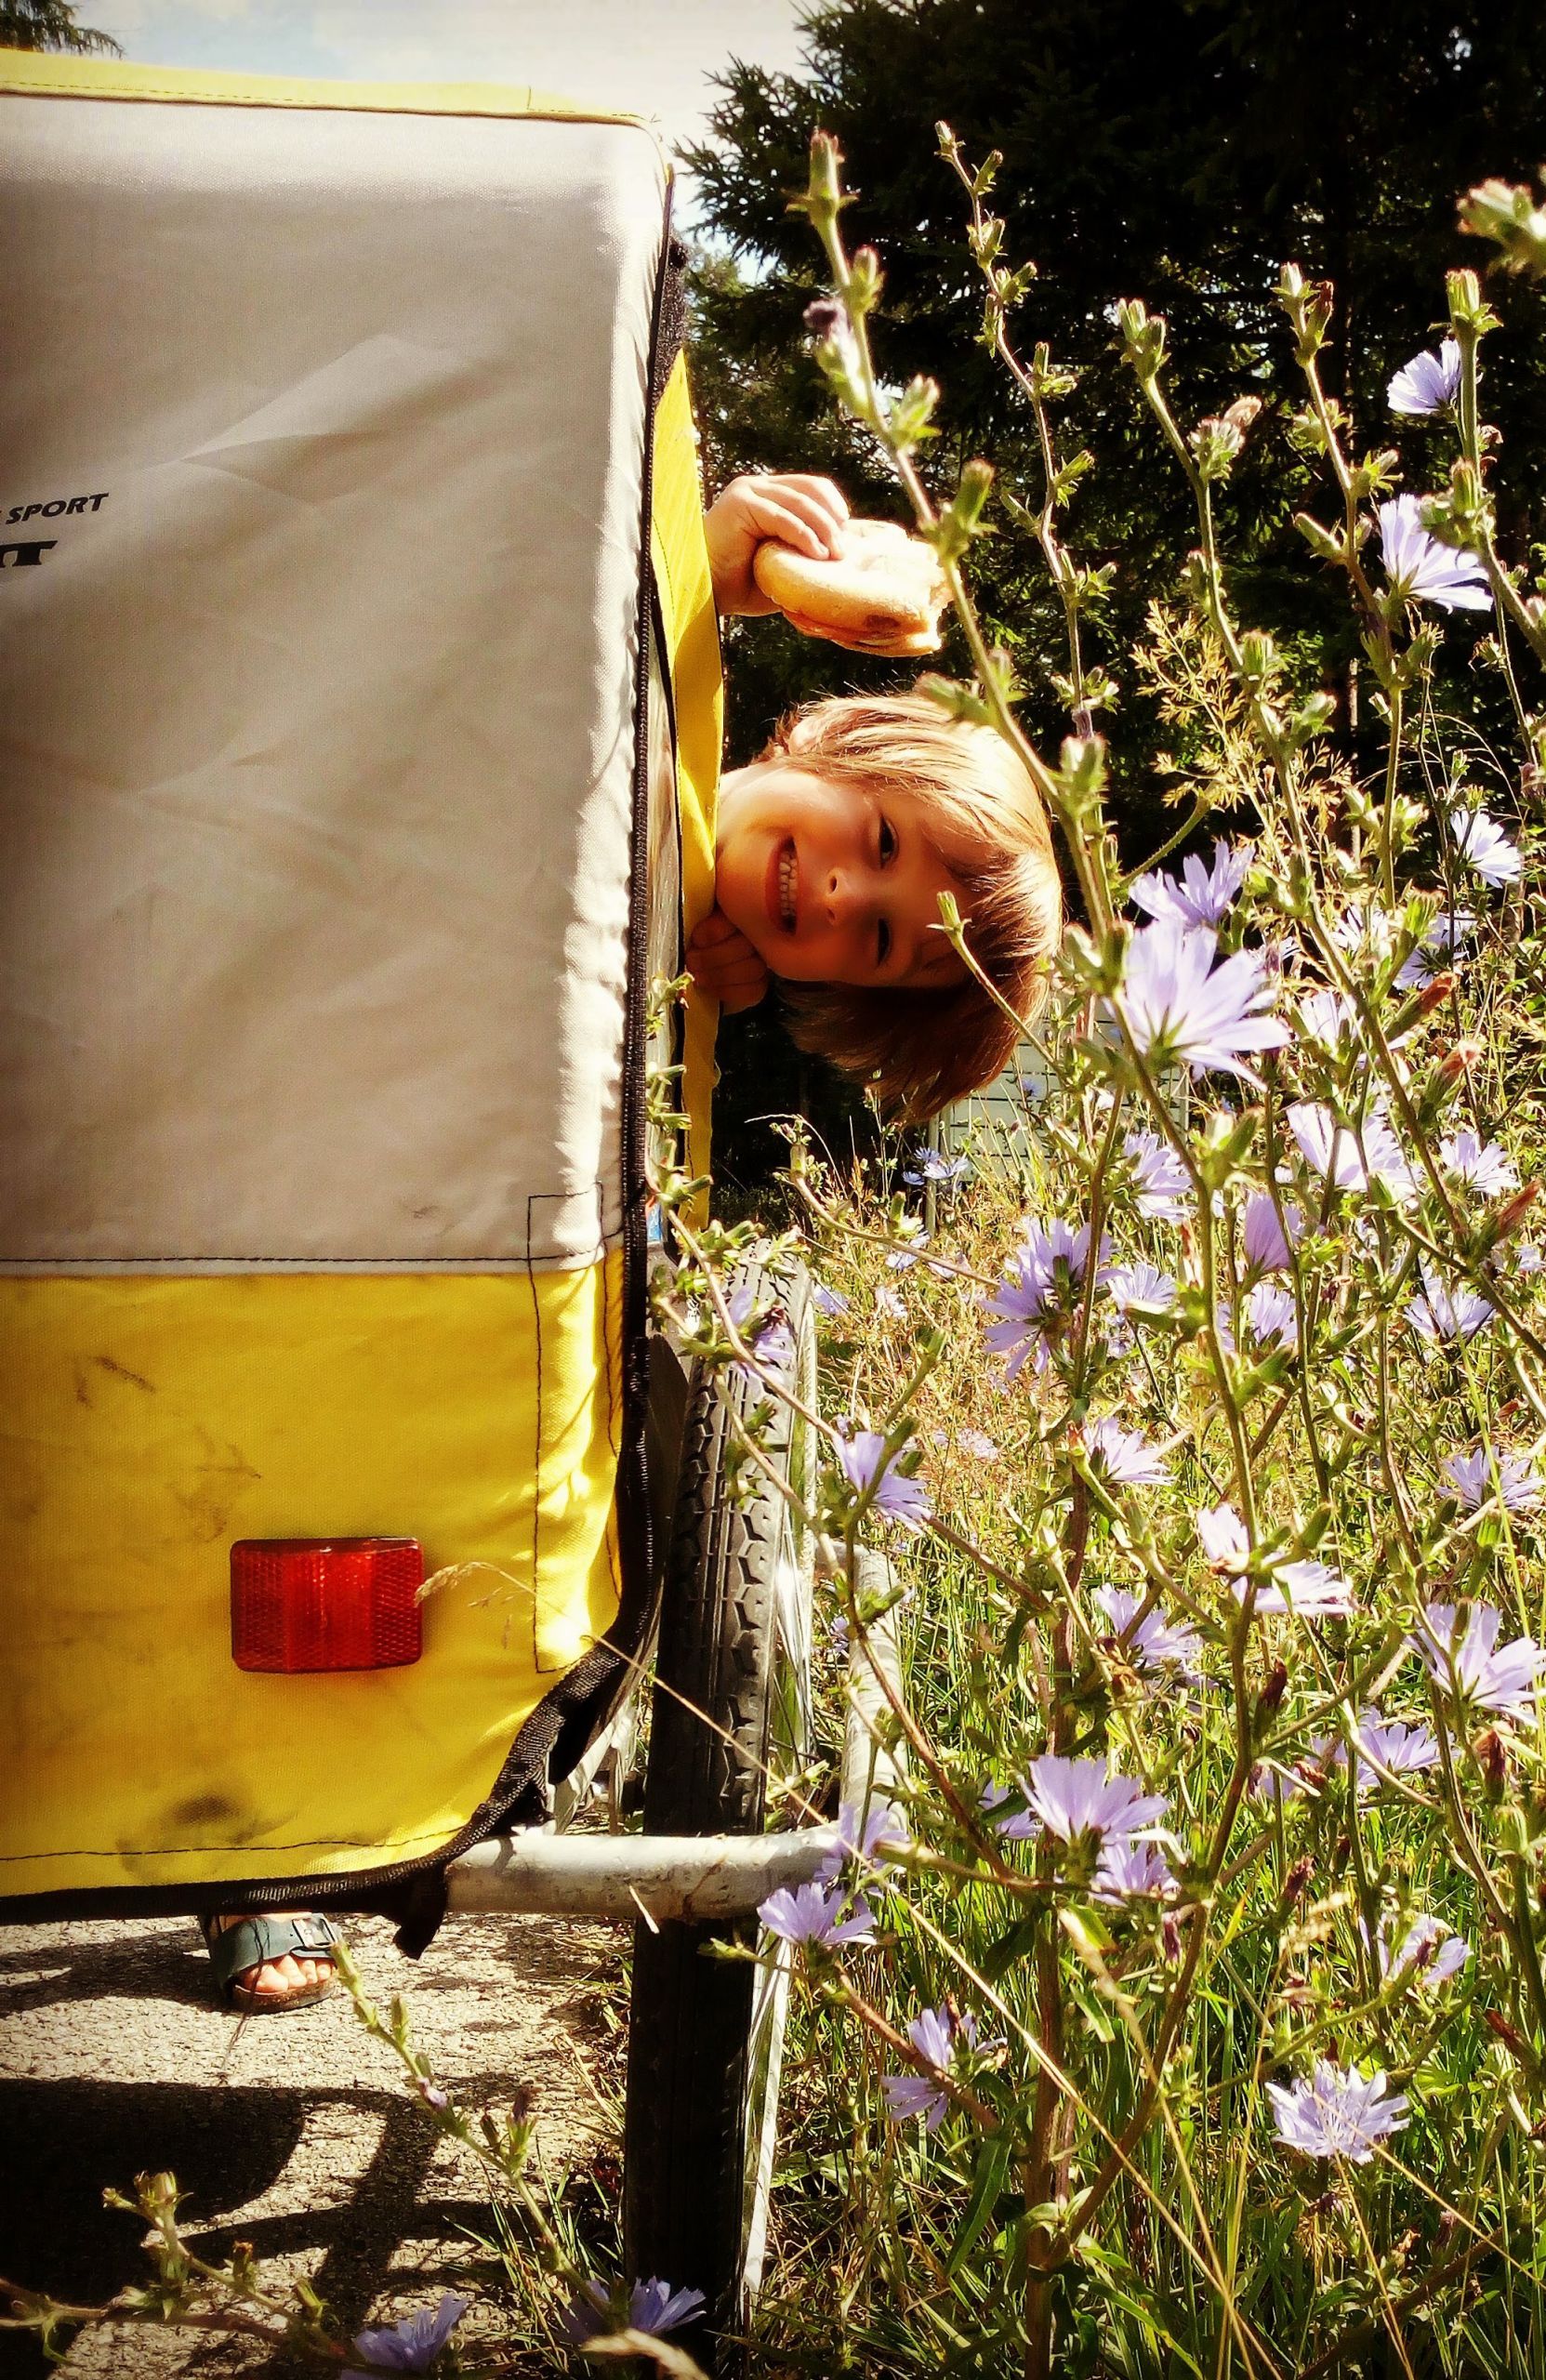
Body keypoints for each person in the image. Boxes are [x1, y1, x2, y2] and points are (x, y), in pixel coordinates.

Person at [208, 472, 1060, 2011]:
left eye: (870, 929)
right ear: (820, 739)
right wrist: (750, 565)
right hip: (273, 1070)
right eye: (871, 835)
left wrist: (693, 978)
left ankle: (295, 1841)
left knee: (583, 1527)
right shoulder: (665, 689)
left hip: (432, 1240)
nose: (840, 886)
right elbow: (607, 606)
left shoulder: (711, 983)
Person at [686, 472, 1063, 1120]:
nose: (845, 898)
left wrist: (682, 999)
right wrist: (697, 578)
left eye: (882, 940)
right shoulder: (667, 689)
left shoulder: (693, 979)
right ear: (832, 733)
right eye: (884, 842)